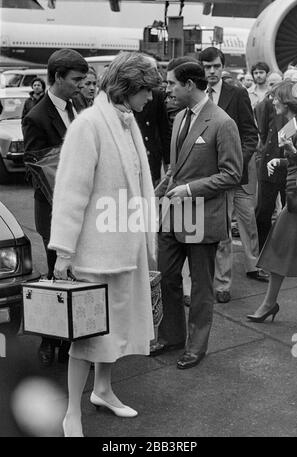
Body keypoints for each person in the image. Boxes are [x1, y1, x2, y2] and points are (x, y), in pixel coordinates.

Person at [48, 51, 161, 437]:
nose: (150, 98)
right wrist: (64, 251)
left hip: (124, 249)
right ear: (128, 87)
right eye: (146, 91)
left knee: (114, 331)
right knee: (87, 337)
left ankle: (103, 391)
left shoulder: (127, 122)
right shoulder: (90, 125)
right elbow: (70, 191)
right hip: (95, 252)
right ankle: (70, 414)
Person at [151, 59, 243, 369]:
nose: (168, 89)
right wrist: (158, 192)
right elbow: (176, 170)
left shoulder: (222, 122)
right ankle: (171, 335)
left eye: (172, 84)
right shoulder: (178, 118)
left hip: (203, 218)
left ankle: (196, 345)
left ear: (190, 84)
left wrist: (190, 190)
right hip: (172, 216)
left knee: (202, 287)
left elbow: (232, 175)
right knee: (166, 277)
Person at [22, 49, 88, 367]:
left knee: (75, 272)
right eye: (76, 80)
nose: (80, 85)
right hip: (51, 209)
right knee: (54, 275)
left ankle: (73, 337)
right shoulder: (35, 117)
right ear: (58, 77)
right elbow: (37, 171)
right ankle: (50, 340)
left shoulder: (77, 107)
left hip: (77, 206)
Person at [199, 47, 263, 305]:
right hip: (210, 176)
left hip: (238, 173)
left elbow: (250, 134)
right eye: (207, 67)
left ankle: (251, 266)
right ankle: (221, 283)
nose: (212, 71)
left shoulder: (237, 93)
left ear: (222, 66)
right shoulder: (196, 96)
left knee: (246, 221)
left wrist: (239, 162)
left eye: (216, 66)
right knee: (222, 230)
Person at [247, 80, 297, 323]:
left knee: (279, 248)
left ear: (288, 100)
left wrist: (292, 154)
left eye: (277, 97)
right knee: (278, 249)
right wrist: (284, 160)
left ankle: (268, 304)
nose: (273, 101)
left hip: (296, 198)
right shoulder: (290, 124)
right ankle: (269, 303)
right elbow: (290, 156)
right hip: (295, 199)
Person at [255, 73, 287, 251]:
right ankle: (263, 248)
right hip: (270, 163)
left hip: (290, 166)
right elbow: (263, 131)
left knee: (290, 210)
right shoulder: (267, 105)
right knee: (264, 210)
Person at [134, 86, 171, 186]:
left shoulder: (156, 95)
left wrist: (168, 161)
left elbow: (164, 128)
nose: (150, 97)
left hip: (152, 159)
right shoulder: (123, 98)